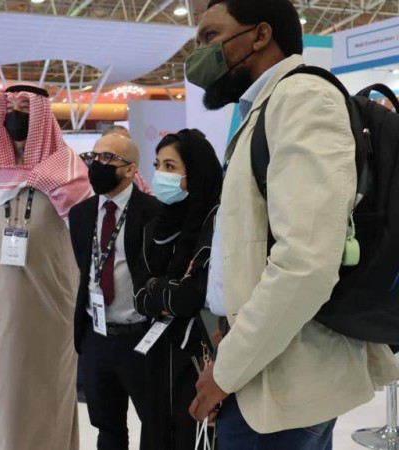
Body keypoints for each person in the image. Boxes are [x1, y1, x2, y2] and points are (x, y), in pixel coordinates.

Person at [185, 1, 399, 448]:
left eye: (210, 36)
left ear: (261, 35)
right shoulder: (265, 108)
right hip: (263, 361)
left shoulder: (301, 98)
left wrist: (226, 371)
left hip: (285, 379)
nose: (199, 53)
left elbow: (305, 263)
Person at [0, 84, 92, 450]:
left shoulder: (69, 170)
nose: (16, 114)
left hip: (51, 296)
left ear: (42, 114)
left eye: (26, 107)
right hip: (0, 296)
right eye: (10, 106)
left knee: (46, 383)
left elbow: (84, 233)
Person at [69, 134, 162, 449]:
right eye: (94, 156)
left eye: (108, 158)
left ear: (131, 170)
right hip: (96, 336)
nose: (98, 164)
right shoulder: (80, 215)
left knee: (155, 424)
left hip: (141, 337)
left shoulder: (154, 213)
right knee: (106, 427)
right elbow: (85, 267)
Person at [132, 129, 222, 450]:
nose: (161, 174)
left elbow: (191, 295)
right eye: (158, 165)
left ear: (194, 173)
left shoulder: (216, 223)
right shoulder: (155, 227)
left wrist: (158, 288)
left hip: (200, 358)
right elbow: (139, 297)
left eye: (170, 166)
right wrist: (168, 290)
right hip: (159, 356)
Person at [102, 126, 153, 195]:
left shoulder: (134, 173)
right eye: (121, 142)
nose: (127, 147)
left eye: (129, 143)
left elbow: (149, 196)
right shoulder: (95, 174)